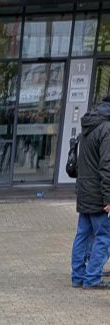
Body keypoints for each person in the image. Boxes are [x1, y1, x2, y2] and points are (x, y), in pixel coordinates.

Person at [70, 93, 110, 290]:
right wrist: (108, 196)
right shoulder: (106, 128)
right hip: (98, 193)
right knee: (104, 236)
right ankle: (92, 277)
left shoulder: (88, 125)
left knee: (83, 235)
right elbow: (106, 165)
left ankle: (78, 276)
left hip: (84, 190)